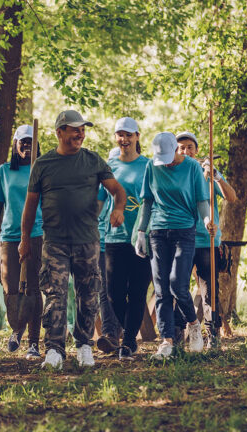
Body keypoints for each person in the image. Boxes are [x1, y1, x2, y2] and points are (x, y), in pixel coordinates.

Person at [19, 110, 126, 370]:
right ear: (60, 132)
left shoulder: (93, 161)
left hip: (87, 240)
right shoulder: (43, 165)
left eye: (83, 129)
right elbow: (30, 206)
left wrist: (118, 208)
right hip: (54, 241)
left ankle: (84, 345)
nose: (81, 133)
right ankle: (54, 350)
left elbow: (117, 190)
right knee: (54, 295)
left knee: (88, 295)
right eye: (75, 129)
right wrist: (24, 239)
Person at [135, 132, 215, 360]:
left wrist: (207, 220)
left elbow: (202, 200)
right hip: (158, 231)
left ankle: (193, 324)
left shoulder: (191, 167)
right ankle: (167, 341)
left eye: (170, 157)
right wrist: (142, 231)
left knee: (177, 284)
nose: (167, 163)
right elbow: (147, 201)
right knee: (160, 288)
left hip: (184, 231)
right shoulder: (152, 166)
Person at [0, 125, 43, 360]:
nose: (26, 145)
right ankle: (17, 330)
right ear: (15, 144)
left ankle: (34, 343)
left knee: (33, 289)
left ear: (36, 146)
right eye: (22, 142)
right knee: (11, 290)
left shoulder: (41, 170)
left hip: (36, 235)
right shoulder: (4, 171)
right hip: (9, 237)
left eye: (30, 142)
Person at [174, 131, 237, 348]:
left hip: (206, 240)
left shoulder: (210, 175)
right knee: (179, 288)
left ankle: (213, 335)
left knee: (209, 289)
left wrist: (217, 176)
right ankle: (177, 336)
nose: (185, 151)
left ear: (196, 150)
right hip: (181, 238)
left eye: (189, 147)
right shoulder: (174, 173)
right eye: (181, 147)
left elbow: (232, 197)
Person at [99, 117, 152, 361]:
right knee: (114, 293)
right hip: (115, 237)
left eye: (129, 135)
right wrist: (90, 222)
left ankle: (129, 341)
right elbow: (99, 200)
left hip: (142, 238)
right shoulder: (109, 167)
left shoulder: (149, 166)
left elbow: (155, 199)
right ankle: (128, 333)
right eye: (120, 135)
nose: (124, 139)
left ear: (137, 137)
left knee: (138, 291)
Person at [95, 147, 123, 355]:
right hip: (101, 244)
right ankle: (110, 334)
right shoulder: (99, 190)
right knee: (105, 291)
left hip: (125, 242)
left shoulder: (124, 189)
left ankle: (121, 329)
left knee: (121, 291)